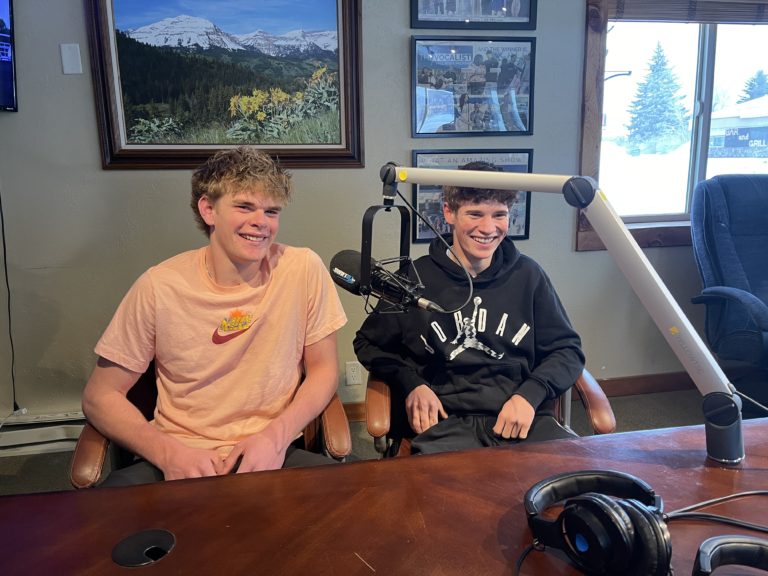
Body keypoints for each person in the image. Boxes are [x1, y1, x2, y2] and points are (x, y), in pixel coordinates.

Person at [82, 147, 347, 486]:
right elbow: (99, 397)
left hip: (272, 450)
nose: (261, 222)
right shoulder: (158, 286)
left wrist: (275, 438)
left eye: (271, 211)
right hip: (180, 456)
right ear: (208, 209)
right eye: (244, 207)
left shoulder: (303, 268)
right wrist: (167, 454)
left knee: (357, 500)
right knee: (104, 515)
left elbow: (324, 369)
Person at [354, 161, 584, 455]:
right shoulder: (415, 278)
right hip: (445, 424)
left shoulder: (529, 276)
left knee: (577, 474)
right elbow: (368, 343)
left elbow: (567, 350)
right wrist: (411, 383)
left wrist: (530, 395)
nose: (488, 228)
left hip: (520, 417)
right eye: (475, 214)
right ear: (449, 212)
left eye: (499, 215)